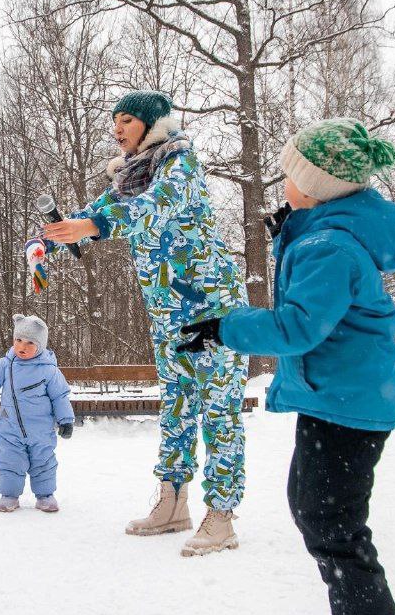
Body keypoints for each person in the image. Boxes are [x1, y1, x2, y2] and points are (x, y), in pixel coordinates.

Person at [179, 117, 395, 615]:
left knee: (329, 515)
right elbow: (312, 281)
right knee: (316, 506)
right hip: (341, 398)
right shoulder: (330, 234)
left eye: (289, 175)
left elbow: (299, 325)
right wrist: (292, 228)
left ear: (316, 186)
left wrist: (222, 326)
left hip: (346, 403)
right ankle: (354, 614)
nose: (282, 183)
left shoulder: (330, 248)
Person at [40, 91, 248, 556]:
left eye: (127, 120)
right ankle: (172, 504)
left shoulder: (181, 164)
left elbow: (155, 207)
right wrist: (48, 241)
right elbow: (95, 215)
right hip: (167, 311)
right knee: (176, 405)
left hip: (213, 307)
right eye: (114, 121)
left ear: (151, 123)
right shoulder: (128, 178)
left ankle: (222, 514)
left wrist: (93, 227)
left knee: (218, 410)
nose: (118, 128)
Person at [0, 315, 75, 513]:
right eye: (18, 340)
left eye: (30, 343)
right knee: (10, 460)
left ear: (41, 345)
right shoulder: (5, 365)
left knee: (43, 461)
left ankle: (45, 495)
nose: (22, 346)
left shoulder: (49, 370)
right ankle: (9, 495)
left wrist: (66, 420)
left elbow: (60, 396)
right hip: (9, 427)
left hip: (41, 430)